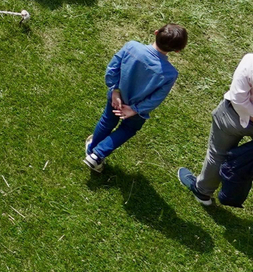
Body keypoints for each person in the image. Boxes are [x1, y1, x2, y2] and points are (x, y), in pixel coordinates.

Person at [86, 26, 187, 172]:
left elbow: (112, 69)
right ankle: (98, 154)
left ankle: (92, 149)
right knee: (127, 129)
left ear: (156, 32)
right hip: (137, 111)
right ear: (177, 51)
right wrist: (135, 109)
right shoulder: (170, 73)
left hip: (117, 98)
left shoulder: (131, 47)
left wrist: (115, 90)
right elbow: (157, 98)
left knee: (107, 121)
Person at [179, 48, 253, 207]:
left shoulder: (250, 62)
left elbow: (238, 99)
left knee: (217, 154)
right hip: (237, 117)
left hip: (232, 117)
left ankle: (203, 191)